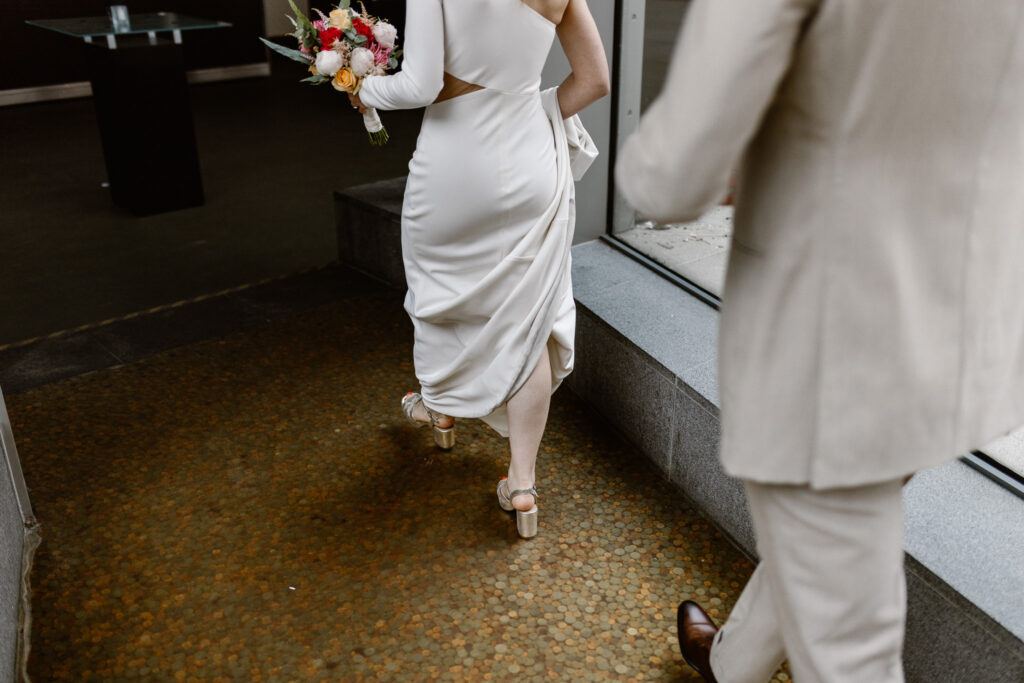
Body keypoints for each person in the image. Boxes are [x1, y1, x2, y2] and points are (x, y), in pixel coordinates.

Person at [616, 0, 1024, 680]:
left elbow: (669, 177)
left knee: (851, 654)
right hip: (966, 316)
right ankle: (733, 661)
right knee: (828, 543)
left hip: (836, 342)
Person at [349, 0, 609, 538]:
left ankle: (440, 408)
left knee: (440, 289)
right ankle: (522, 484)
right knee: (528, 319)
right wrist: (529, 112)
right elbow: (595, 80)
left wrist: (363, 89)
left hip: (456, 163)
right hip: (530, 160)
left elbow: (420, 85)